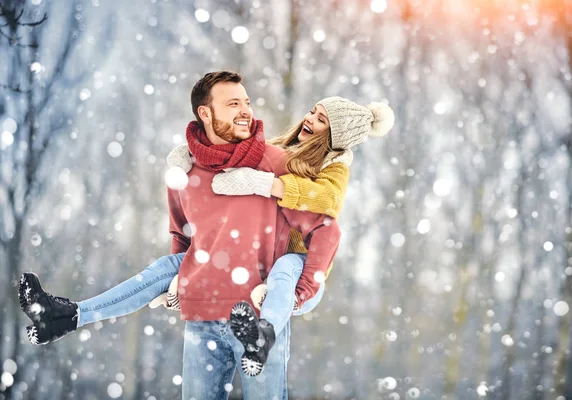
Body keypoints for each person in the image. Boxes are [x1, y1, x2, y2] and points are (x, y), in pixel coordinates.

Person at [18, 70, 342, 400]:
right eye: (233, 104)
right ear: (205, 112)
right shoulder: (185, 169)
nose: (246, 110)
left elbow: (326, 227)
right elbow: (182, 234)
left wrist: (301, 292)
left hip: (256, 322)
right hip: (202, 319)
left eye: (246, 102)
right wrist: (179, 284)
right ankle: (65, 316)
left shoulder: (275, 163)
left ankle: (67, 316)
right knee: (161, 268)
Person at [162, 96, 395, 376]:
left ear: (335, 137)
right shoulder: (281, 149)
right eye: (312, 111)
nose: (309, 119)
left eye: (322, 120)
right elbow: (235, 153)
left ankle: (265, 334)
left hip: (302, 271)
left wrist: (266, 184)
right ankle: (181, 288)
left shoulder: (335, 167)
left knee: (283, 271)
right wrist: (190, 154)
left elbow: (327, 199)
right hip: (264, 268)